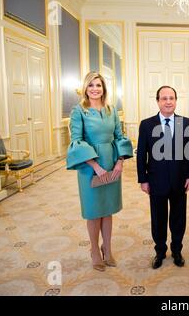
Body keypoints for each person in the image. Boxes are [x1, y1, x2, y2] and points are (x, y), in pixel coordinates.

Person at [66, 72, 133, 271]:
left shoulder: (112, 110)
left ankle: (108, 248)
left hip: (111, 163)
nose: (95, 89)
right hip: (90, 166)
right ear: (85, 88)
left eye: (99, 85)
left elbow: (120, 136)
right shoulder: (79, 111)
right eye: (91, 85)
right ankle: (94, 250)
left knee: (108, 209)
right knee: (94, 212)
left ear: (104, 88)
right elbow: (76, 141)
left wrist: (120, 162)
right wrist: (95, 166)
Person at [137, 85, 189, 269]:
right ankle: (160, 251)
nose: (168, 101)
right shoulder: (147, 124)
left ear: (176, 101)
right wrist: (143, 179)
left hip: (179, 181)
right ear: (158, 101)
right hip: (156, 181)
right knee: (158, 218)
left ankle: (177, 250)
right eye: (164, 98)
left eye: (171, 98)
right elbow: (141, 154)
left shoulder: (186, 122)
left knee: (179, 218)